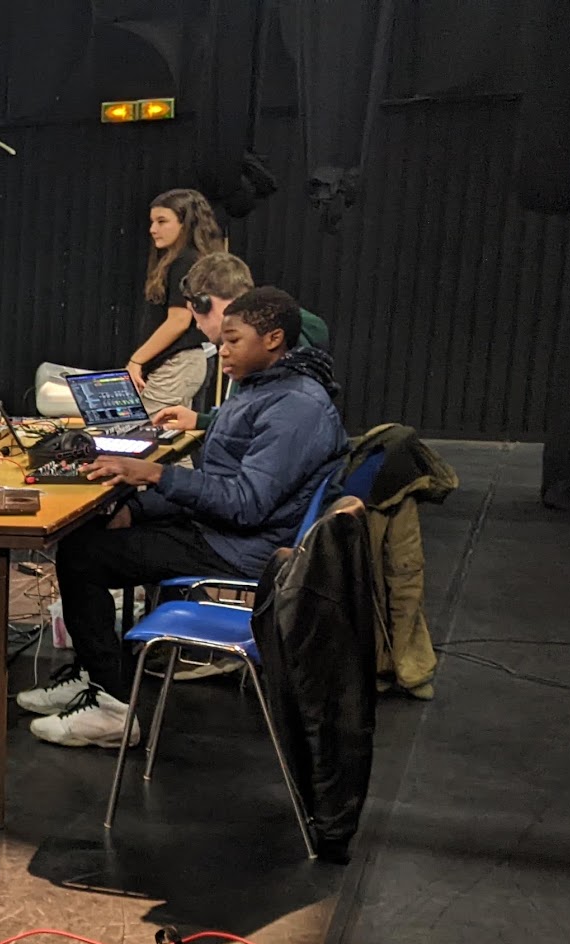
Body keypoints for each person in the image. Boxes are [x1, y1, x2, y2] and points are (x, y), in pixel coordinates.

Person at [22, 287, 347, 747]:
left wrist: (156, 475)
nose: (222, 350)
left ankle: (111, 710)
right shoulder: (267, 388)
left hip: (245, 549)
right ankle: (96, 675)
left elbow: (244, 503)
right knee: (95, 530)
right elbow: (220, 486)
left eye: (233, 340)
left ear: (274, 339)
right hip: (229, 531)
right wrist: (135, 508)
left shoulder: (296, 406)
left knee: (82, 557)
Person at [155, 252, 332, 433]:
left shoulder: (257, 351)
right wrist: (202, 421)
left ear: (204, 303)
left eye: (195, 315)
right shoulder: (289, 330)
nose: (198, 326)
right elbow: (250, 419)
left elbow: (269, 427)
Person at [121, 188, 227, 414]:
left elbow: (179, 321)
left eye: (162, 221)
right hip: (183, 361)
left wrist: (136, 360)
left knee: (149, 429)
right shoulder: (186, 259)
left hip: (178, 361)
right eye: (152, 222)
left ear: (185, 224)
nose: (153, 229)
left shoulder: (187, 261)